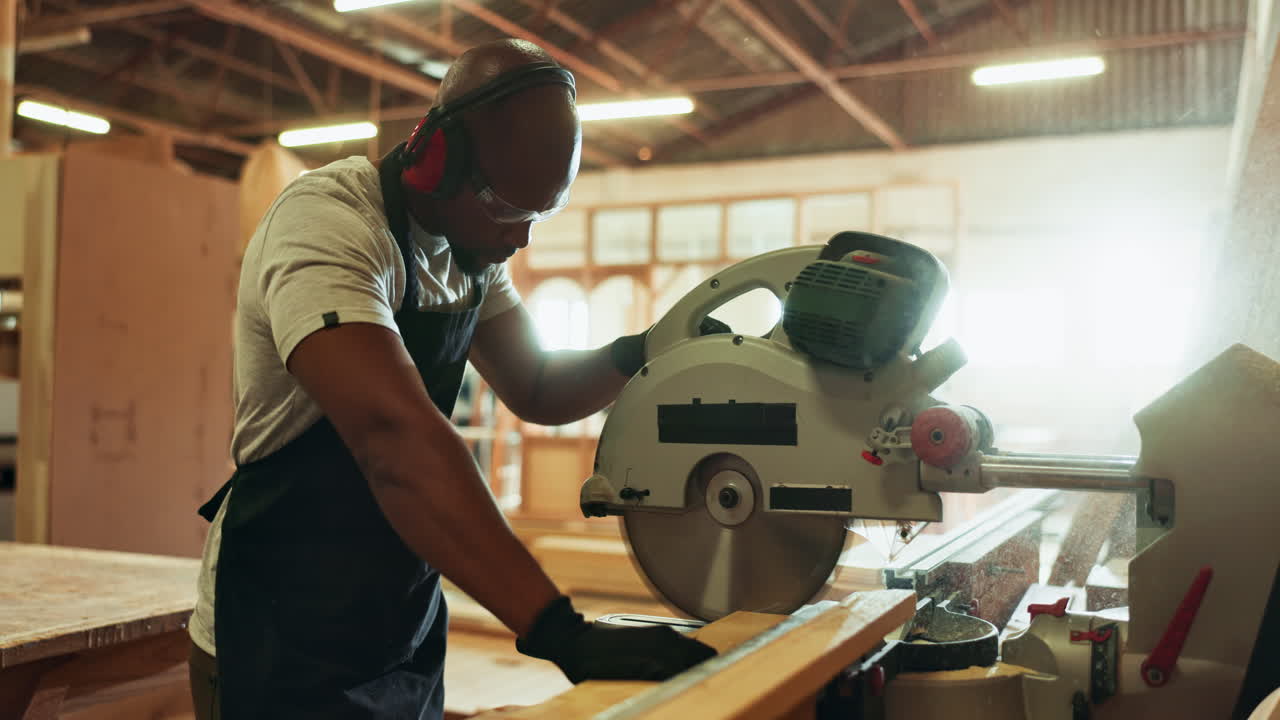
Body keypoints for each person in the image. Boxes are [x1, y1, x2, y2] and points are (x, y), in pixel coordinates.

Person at [187, 38, 715, 720]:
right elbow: (393, 442)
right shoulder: (330, 227)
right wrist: (558, 630)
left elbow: (538, 385)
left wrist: (646, 350)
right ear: (438, 159)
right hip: (281, 629)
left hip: (397, 623)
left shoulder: (471, 253)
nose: (520, 240)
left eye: (537, 216)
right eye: (506, 210)